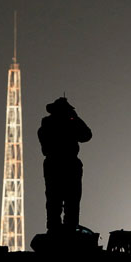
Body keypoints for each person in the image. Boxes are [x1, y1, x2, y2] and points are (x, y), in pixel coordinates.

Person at [38, 97, 92, 235]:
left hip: (63, 164)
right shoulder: (49, 125)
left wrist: (75, 120)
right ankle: (58, 230)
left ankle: (66, 229)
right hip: (60, 164)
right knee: (57, 200)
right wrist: (74, 120)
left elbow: (86, 135)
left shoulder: (54, 124)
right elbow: (86, 135)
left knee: (69, 200)